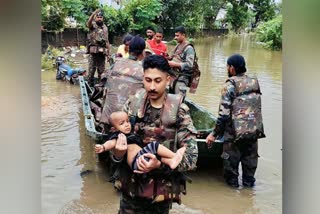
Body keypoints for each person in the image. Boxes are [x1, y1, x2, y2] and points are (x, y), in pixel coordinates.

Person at [111, 55, 198, 213]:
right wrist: (117, 153)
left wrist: (159, 164)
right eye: (147, 80)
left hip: (159, 197)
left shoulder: (179, 110)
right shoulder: (132, 105)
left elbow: (192, 157)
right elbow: (114, 145)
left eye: (158, 81)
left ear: (168, 80)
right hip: (130, 193)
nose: (151, 87)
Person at [206, 54, 265, 188]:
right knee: (249, 176)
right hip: (253, 131)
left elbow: (224, 115)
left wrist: (214, 134)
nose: (227, 69)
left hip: (234, 135)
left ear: (232, 68)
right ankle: (248, 197)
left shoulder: (230, 84)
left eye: (227, 66)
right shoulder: (254, 81)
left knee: (231, 177)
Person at [95, 111, 187, 171]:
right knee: (154, 145)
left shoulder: (130, 134)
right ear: (114, 129)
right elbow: (111, 143)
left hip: (141, 159)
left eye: (127, 121)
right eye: (122, 123)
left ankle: (170, 162)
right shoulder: (119, 136)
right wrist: (103, 147)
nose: (127, 125)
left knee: (156, 154)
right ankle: (174, 156)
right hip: (136, 161)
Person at [99, 35, 146, 129]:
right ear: (143, 52)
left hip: (107, 119)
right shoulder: (144, 69)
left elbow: (103, 80)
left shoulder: (116, 62)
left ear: (128, 49)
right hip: (127, 125)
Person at [168, 26, 195, 94]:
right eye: (175, 35)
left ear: (183, 35)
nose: (175, 38)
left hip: (182, 79)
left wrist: (174, 64)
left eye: (177, 36)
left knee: (179, 99)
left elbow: (189, 65)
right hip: (173, 76)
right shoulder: (177, 46)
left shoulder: (189, 48)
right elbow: (173, 57)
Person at [86, 9, 110, 87]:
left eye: (101, 17)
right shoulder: (92, 25)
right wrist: (93, 14)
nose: (99, 18)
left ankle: (100, 89)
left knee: (101, 72)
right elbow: (88, 23)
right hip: (93, 53)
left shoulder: (105, 28)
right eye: (98, 17)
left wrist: (109, 54)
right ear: (95, 18)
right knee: (91, 72)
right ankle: (90, 87)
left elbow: (107, 41)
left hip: (102, 54)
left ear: (103, 18)